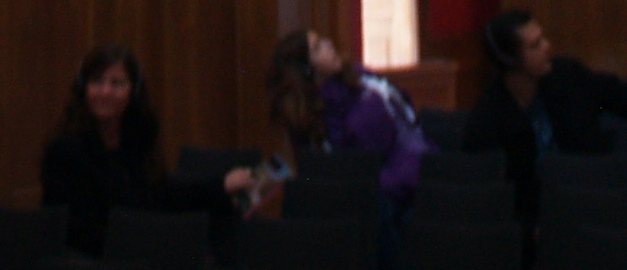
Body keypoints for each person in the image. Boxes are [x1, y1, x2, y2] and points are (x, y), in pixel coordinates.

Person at [464, 10, 627, 223]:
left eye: (543, 39)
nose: (547, 47)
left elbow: (614, 93)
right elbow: (493, 192)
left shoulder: (567, 76)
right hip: (532, 219)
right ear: (511, 60)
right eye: (535, 45)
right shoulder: (488, 119)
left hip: (591, 197)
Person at [42, 44, 257, 256]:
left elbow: (160, 192)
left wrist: (221, 186)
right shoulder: (65, 150)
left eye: (117, 84)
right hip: (94, 255)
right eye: (97, 82)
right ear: (84, 89)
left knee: (224, 211)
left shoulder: (136, 137)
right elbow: (77, 229)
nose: (105, 92)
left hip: (138, 244)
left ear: (133, 91)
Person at [267, 27, 424, 199]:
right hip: (380, 190)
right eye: (317, 48)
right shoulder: (315, 114)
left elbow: (404, 109)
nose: (329, 44)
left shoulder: (358, 77)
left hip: (410, 158)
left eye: (322, 40)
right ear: (306, 69)